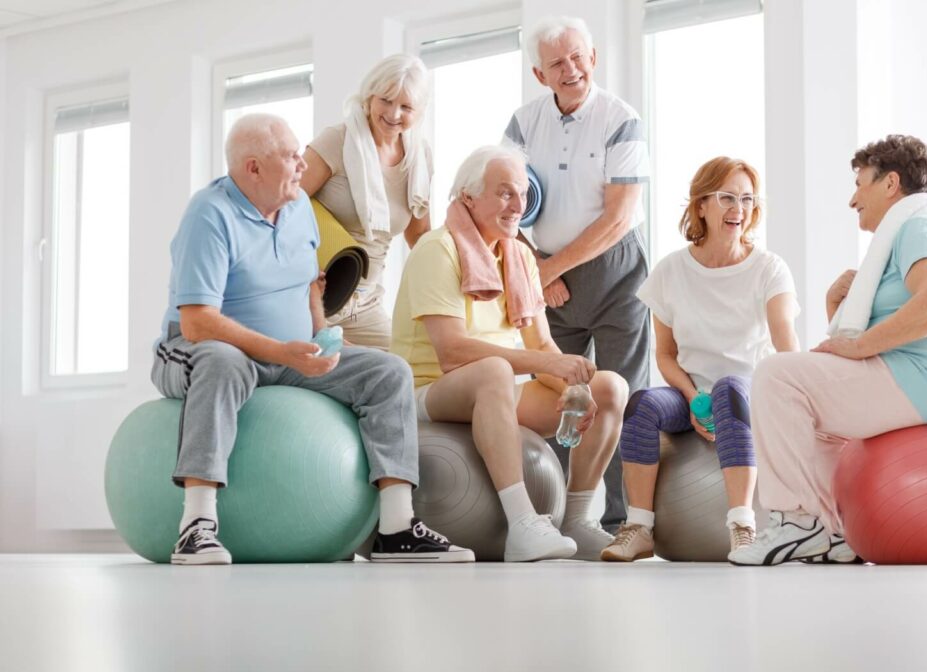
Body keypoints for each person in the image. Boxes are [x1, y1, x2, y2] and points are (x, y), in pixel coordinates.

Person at [153, 113, 472, 564]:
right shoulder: (209, 214)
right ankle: (196, 527)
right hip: (199, 350)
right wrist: (282, 351)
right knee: (221, 360)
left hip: (287, 351)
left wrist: (320, 332)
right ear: (253, 168)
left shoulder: (300, 206)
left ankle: (397, 527)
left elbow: (309, 284)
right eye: (289, 156)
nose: (303, 164)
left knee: (388, 371)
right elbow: (198, 323)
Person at [730, 134, 927, 566]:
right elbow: (906, 316)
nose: (853, 198)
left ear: (891, 184)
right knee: (810, 420)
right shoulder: (908, 234)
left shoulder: (919, 225)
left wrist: (860, 346)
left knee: (776, 375)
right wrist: (835, 309)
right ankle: (836, 533)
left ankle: (798, 523)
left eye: (861, 183)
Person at [390, 145, 629, 561]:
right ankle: (522, 522)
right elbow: (453, 352)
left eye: (522, 194)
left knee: (609, 387)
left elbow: (540, 344)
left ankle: (574, 518)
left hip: (492, 390)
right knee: (495, 370)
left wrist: (571, 384)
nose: (518, 205)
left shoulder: (518, 255)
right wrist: (545, 366)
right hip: (429, 390)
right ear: (468, 196)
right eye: (504, 193)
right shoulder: (437, 248)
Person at [600, 157, 800, 562]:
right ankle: (639, 527)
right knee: (640, 405)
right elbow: (665, 354)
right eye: (727, 197)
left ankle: (743, 525)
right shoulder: (671, 270)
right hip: (692, 391)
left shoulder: (769, 269)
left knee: (729, 390)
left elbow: (785, 345)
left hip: (748, 394)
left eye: (746, 199)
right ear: (702, 204)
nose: (738, 209)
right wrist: (691, 397)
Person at [502, 16, 650, 530]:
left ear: (594, 58)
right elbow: (503, 201)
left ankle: (619, 522)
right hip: (550, 275)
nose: (571, 70)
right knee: (562, 399)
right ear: (540, 75)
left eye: (578, 57)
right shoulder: (523, 123)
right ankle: (563, 517)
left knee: (623, 394)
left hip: (613, 272)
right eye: (557, 63)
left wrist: (547, 269)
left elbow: (619, 216)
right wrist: (536, 268)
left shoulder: (620, 118)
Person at [300, 54, 432, 349]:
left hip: (367, 301)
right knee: (363, 370)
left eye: (406, 106)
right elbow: (282, 205)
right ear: (369, 95)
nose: (394, 113)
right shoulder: (336, 140)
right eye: (385, 100)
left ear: (419, 111)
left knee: (402, 371)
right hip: (316, 295)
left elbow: (420, 236)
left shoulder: (419, 158)